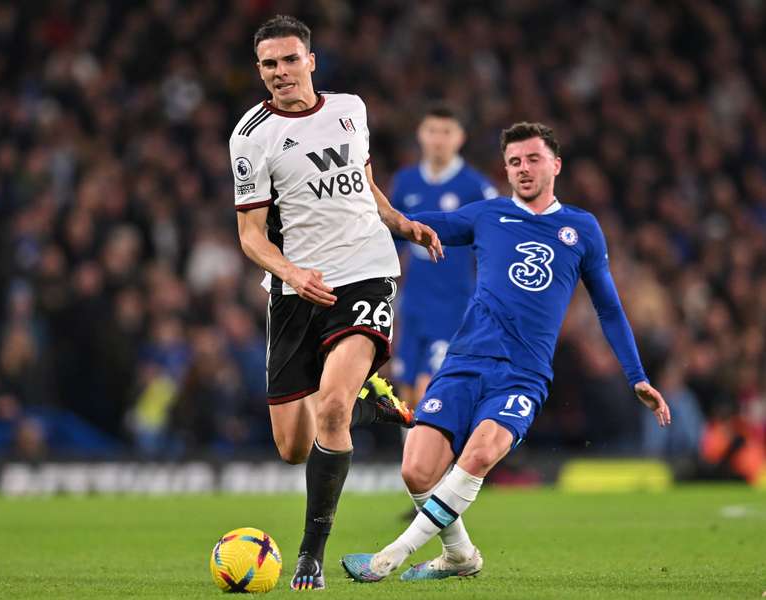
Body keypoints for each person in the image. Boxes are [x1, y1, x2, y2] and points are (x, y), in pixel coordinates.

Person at [341, 122, 671, 583]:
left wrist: (636, 375)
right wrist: (367, 188)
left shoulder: (582, 229)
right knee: (416, 471)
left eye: (533, 159)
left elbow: (609, 309)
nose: (523, 169)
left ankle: (388, 557)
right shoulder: (488, 216)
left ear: (555, 164)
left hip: (522, 373)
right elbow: (405, 223)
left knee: (478, 455)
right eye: (514, 162)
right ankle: (460, 555)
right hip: (463, 361)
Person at [230, 15, 443, 591]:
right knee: (293, 448)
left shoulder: (350, 108)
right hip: (298, 288)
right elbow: (251, 237)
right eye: (269, 64)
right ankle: (367, 387)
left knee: (331, 408)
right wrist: (291, 273)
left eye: (290, 60)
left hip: (367, 270)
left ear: (311, 60)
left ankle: (310, 553)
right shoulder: (251, 137)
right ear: (260, 71)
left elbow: (361, 179)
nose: (280, 73)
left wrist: (399, 222)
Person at [390, 104, 498, 411]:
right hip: (412, 304)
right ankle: (410, 458)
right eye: (432, 131)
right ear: (420, 135)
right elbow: (390, 239)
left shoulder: (476, 187)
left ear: (460, 137)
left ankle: (435, 457)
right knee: (405, 392)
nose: (439, 139)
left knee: (430, 387)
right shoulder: (405, 182)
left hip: (453, 305)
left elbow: (495, 245)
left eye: (446, 132)